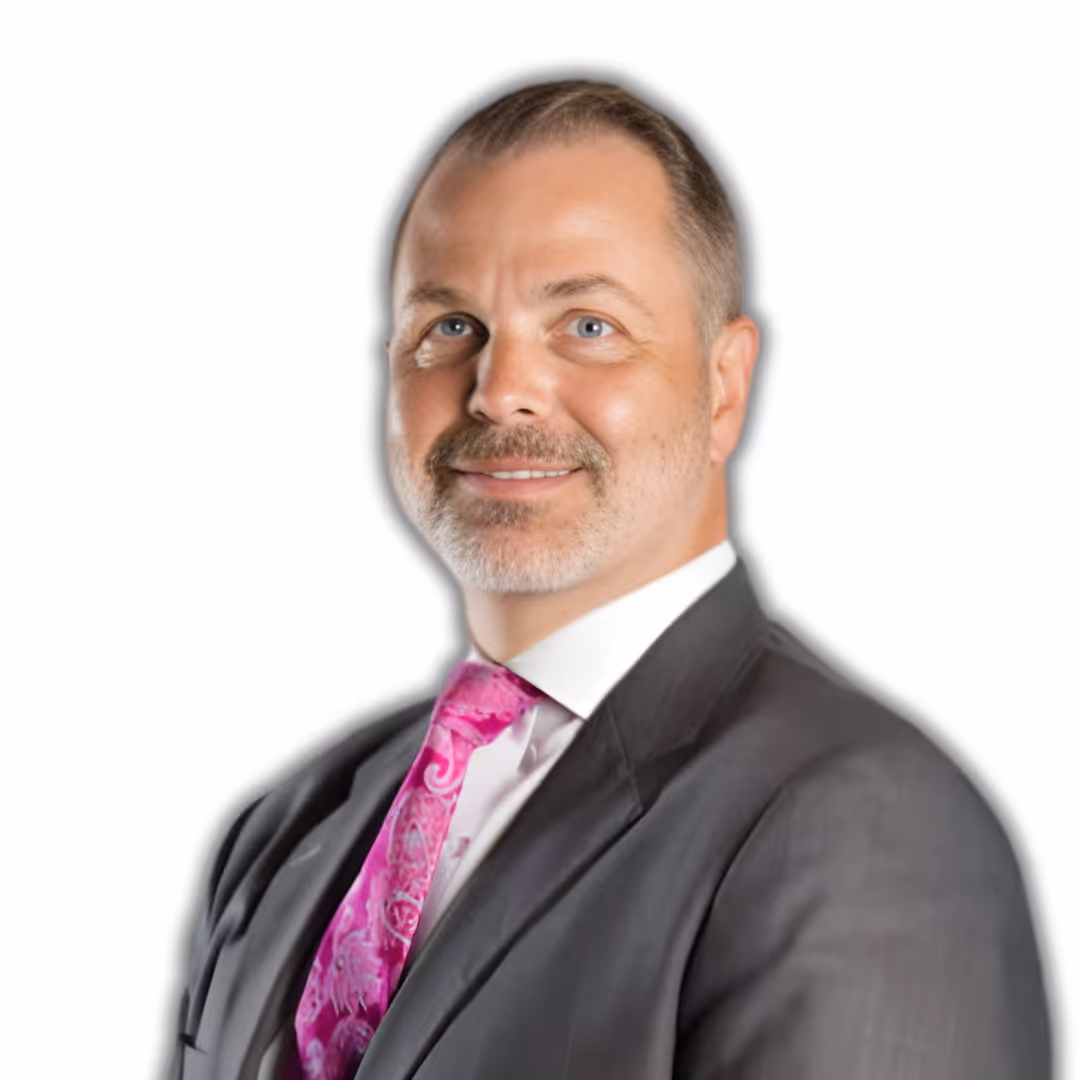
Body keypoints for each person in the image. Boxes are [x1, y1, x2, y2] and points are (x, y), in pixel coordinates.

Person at [167, 79, 1051, 1080]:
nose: (500, 388)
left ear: (724, 386)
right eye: (449, 325)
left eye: (587, 326)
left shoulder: (865, 826)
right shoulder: (289, 827)